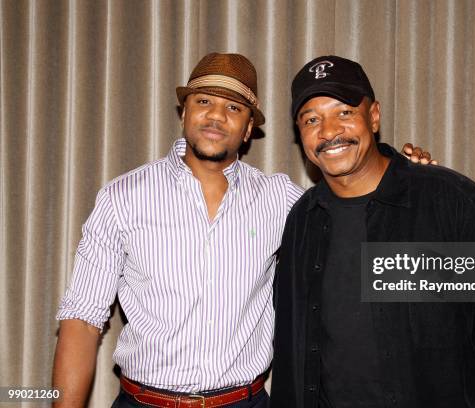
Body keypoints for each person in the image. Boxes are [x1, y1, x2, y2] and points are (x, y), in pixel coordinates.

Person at [52, 52, 433, 408]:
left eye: (233, 107)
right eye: (204, 102)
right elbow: (82, 321)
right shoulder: (122, 198)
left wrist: (402, 177)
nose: (216, 117)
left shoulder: (281, 198)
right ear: (184, 111)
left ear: (249, 127)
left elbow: (353, 217)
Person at [270, 55, 475, 408]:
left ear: (373, 116)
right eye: (311, 120)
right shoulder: (302, 220)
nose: (328, 131)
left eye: (344, 112)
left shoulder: (451, 202)